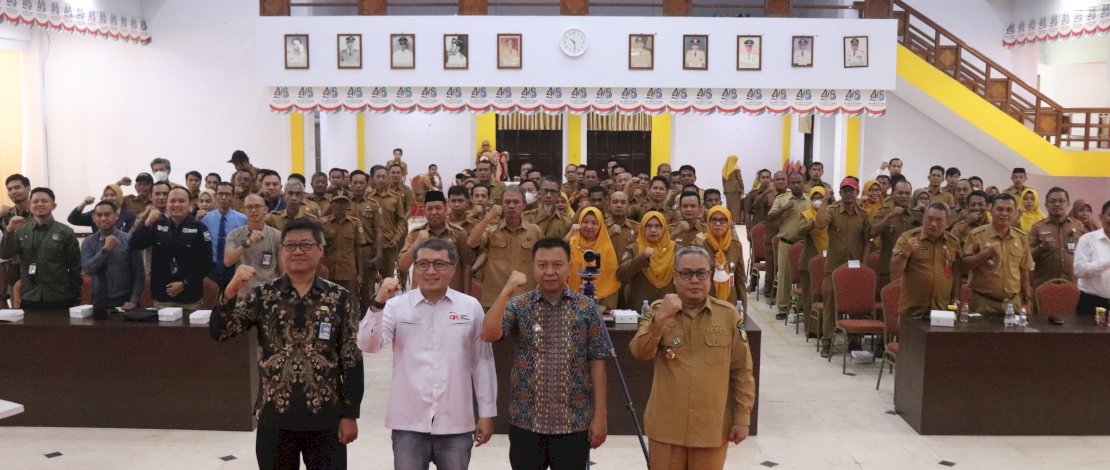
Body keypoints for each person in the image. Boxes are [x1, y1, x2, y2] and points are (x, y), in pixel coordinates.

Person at [211, 218, 363, 469]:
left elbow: (351, 359)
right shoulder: (263, 296)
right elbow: (222, 332)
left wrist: (351, 414)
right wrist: (229, 292)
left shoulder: (339, 297)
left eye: (305, 244)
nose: (298, 251)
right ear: (282, 251)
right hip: (275, 418)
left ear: (320, 249)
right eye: (290, 245)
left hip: (326, 418)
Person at [358, 239, 496, 469]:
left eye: (439, 264)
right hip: (408, 423)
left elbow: (482, 363)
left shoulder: (470, 307)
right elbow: (368, 346)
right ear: (414, 268)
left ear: (453, 268)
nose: (430, 271)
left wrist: (486, 412)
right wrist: (378, 303)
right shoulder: (396, 306)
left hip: (456, 424)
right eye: (423, 264)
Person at [480, 237, 611, 470]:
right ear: (533, 267)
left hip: (574, 422)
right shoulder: (519, 305)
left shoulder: (586, 307)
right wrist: (506, 292)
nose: (550, 272)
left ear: (570, 266)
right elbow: (489, 334)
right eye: (542, 265)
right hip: (526, 421)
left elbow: (597, 361)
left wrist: (600, 415)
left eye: (557, 264)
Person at [628, 246, 755, 470]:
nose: (694, 280)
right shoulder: (658, 310)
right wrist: (660, 319)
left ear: (711, 276)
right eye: (686, 274)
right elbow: (639, 352)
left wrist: (742, 418)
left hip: (711, 428)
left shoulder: (728, 315)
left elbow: (742, 371)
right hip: (666, 428)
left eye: (701, 273)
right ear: (675, 277)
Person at [130, 187, 213, 310]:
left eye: (181, 201)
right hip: (162, 297)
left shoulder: (200, 228)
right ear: (167, 204)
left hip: (189, 298)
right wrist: (146, 223)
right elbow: (134, 244)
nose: (177, 204)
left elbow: (206, 263)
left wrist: (184, 284)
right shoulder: (157, 225)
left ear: (190, 205)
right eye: (172, 201)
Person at [815, 178, 871, 358]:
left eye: (852, 190)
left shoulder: (863, 215)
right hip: (833, 267)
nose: (848, 193)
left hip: (855, 268)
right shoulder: (832, 211)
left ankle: (854, 340)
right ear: (840, 193)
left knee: (857, 304)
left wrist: (864, 263)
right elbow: (820, 224)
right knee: (830, 304)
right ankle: (827, 341)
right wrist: (825, 200)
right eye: (845, 190)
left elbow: (866, 241)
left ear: (857, 192)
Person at [1, 187, 82, 309]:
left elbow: (75, 267)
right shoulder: (20, 231)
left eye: (44, 201)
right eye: (35, 201)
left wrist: (76, 296)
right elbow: (5, 254)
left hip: (59, 297)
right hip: (30, 297)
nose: (39, 204)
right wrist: (9, 230)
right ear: (30, 205)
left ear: (53, 205)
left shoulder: (66, 232)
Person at [958, 193, 1034, 317]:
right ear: (991, 210)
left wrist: (1027, 300)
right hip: (983, 302)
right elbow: (963, 266)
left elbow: (1024, 271)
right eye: (999, 209)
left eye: (1009, 210)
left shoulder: (1021, 238)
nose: (1004, 213)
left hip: (1012, 303)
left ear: (1015, 213)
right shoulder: (976, 235)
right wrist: (984, 255)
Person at [467, 187, 544, 308]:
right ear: (501, 205)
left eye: (516, 202)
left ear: (524, 205)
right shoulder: (491, 230)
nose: (511, 206)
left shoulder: (535, 232)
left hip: (526, 299)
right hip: (494, 299)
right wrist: (488, 218)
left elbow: (542, 263)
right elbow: (472, 242)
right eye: (507, 202)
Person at [892, 203, 962, 317]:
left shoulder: (953, 242)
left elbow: (956, 272)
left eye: (939, 220)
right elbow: (895, 270)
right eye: (929, 219)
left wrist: (955, 300)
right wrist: (905, 252)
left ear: (947, 222)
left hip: (942, 311)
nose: (933, 224)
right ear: (923, 219)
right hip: (912, 312)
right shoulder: (908, 237)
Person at [397, 191, 470, 293]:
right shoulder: (415, 234)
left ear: (446, 209)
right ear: (424, 211)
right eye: (429, 209)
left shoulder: (459, 233)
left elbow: (466, 266)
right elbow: (402, 266)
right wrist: (418, 242)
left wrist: (466, 296)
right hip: (421, 295)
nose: (434, 212)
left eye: (438, 208)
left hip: (451, 294)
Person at [80, 201, 145, 310]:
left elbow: (139, 274)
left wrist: (133, 300)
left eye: (107, 214)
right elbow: (88, 269)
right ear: (93, 218)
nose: (103, 218)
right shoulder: (88, 242)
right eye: (99, 215)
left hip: (126, 300)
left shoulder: (129, 240)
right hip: (99, 300)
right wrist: (105, 250)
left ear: (116, 216)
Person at [320, 190, 371, 315]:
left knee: (350, 303)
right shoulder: (323, 223)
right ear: (331, 204)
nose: (340, 206)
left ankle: (351, 329)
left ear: (348, 205)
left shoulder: (355, 223)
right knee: (327, 303)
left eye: (343, 203)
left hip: (348, 272)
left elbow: (359, 250)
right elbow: (320, 249)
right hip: (328, 271)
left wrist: (360, 274)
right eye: (337, 203)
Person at [767, 172, 810, 319]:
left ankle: (802, 306)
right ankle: (783, 308)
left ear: (803, 182)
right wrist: (784, 208)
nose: (796, 185)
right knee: (784, 276)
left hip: (806, 244)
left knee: (804, 275)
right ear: (789, 184)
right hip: (787, 243)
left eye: (799, 182)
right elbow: (770, 217)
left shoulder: (810, 200)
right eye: (793, 183)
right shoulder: (781, 199)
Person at [224, 194, 284, 298]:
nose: (253, 210)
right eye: (249, 207)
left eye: (257, 206)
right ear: (243, 211)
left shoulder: (277, 236)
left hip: (270, 294)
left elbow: (284, 271)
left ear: (265, 209)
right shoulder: (234, 234)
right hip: (244, 293)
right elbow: (228, 261)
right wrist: (248, 242)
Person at [1028, 187, 1085, 289]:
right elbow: (1026, 256)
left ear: (1068, 204)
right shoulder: (1037, 227)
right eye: (1053, 201)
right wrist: (1042, 247)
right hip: (1044, 286)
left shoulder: (1078, 226)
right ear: (1046, 205)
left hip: (1072, 285)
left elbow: (1087, 255)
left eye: (1061, 201)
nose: (1057, 204)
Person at [617, 211, 676, 310]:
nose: (653, 230)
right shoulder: (634, 248)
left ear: (664, 228)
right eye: (649, 226)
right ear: (642, 228)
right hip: (639, 309)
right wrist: (642, 258)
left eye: (658, 226)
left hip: (669, 310)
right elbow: (621, 275)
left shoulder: (676, 249)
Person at [567, 207, 621, 309]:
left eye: (594, 223)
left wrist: (601, 306)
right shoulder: (571, 243)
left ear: (600, 225)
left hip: (601, 305)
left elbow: (609, 281)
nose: (589, 226)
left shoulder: (607, 248)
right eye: (585, 222)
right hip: (571, 304)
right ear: (579, 223)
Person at [696, 205, 747, 306]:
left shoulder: (735, 245)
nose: (718, 223)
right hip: (705, 300)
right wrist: (700, 248)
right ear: (708, 222)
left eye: (722, 220)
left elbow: (740, 279)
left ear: (729, 223)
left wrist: (743, 308)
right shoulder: (700, 242)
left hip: (730, 300)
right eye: (713, 219)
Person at [870, 180, 917, 288]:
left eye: (907, 193)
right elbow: (872, 232)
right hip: (888, 269)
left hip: (912, 270)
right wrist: (890, 216)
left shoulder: (917, 214)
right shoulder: (883, 212)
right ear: (892, 194)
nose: (904, 196)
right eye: (900, 193)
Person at [201, 182, 247, 289]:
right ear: (216, 196)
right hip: (212, 266)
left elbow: (246, 243)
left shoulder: (243, 219)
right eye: (220, 194)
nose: (224, 197)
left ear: (233, 196)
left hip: (234, 267)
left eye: (227, 194)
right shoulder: (206, 219)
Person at [797, 185, 829, 337]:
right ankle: (812, 329)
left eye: (820, 198)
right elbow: (800, 231)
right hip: (810, 260)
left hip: (829, 260)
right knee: (810, 295)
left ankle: (826, 329)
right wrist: (812, 223)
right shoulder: (805, 214)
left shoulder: (830, 214)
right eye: (815, 198)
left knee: (826, 295)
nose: (817, 201)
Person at [369, 165, 407, 280]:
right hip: (371, 245)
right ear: (373, 179)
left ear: (388, 178)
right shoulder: (367, 198)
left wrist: (396, 238)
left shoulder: (396, 198)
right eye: (378, 176)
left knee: (388, 279)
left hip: (389, 244)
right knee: (370, 278)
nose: (380, 179)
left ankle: (388, 298)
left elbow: (401, 221)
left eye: (383, 176)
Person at [1073, 201, 1110, 316]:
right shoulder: (1087, 240)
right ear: (1101, 217)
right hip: (1092, 303)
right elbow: (1079, 270)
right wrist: (1107, 262)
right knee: (1089, 334)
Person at [67, 184, 136, 233]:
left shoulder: (129, 216)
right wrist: (84, 203)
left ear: (120, 197)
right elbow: (72, 219)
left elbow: (130, 238)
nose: (109, 198)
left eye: (113, 195)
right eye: (106, 195)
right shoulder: (95, 213)